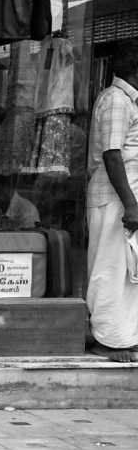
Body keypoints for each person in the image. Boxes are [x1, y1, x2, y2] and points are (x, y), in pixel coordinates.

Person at [86, 40, 138, 362]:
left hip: (125, 199)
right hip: (116, 200)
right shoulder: (117, 100)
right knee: (110, 268)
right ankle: (107, 340)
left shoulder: (128, 101)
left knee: (127, 271)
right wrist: (131, 205)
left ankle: (123, 337)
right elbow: (112, 154)